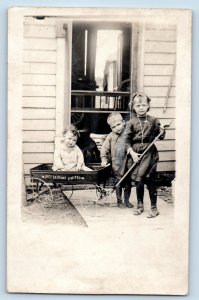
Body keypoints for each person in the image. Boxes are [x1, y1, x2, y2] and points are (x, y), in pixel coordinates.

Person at [125, 92, 165, 218]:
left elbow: (161, 136)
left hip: (150, 153)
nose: (141, 107)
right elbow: (126, 141)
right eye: (138, 105)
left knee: (150, 179)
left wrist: (163, 129)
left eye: (143, 105)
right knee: (138, 180)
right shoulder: (131, 122)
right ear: (133, 107)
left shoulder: (153, 120)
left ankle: (154, 208)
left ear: (148, 106)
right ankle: (140, 205)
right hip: (136, 154)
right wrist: (132, 153)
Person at [100, 112, 133, 208]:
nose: (117, 128)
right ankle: (119, 201)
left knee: (128, 184)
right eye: (113, 127)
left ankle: (127, 200)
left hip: (128, 164)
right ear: (110, 128)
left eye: (118, 124)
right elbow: (104, 149)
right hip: (116, 165)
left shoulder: (128, 133)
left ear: (123, 122)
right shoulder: (110, 136)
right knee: (118, 183)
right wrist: (104, 159)